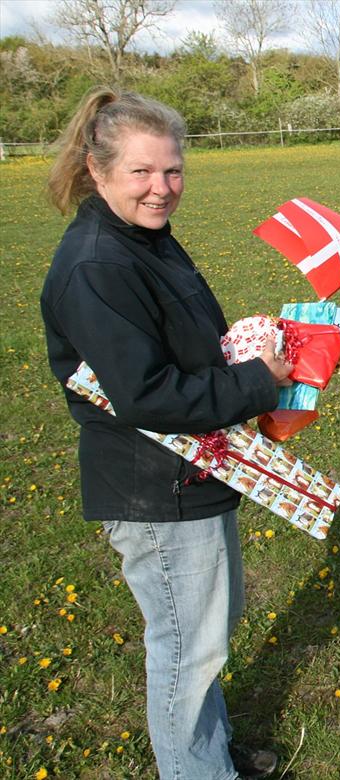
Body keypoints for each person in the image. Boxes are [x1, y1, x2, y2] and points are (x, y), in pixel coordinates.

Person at [40, 87, 293, 779]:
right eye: (142, 173)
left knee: (206, 638)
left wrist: (248, 348)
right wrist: (257, 383)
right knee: (187, 649)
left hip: (193, 470)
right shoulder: (98, 264)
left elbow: (180, 348)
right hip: (155, 484)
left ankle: (206, 755)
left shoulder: (144, 240)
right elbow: (147, 393)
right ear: (98, 171)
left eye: (173, 170)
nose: (161, 188)